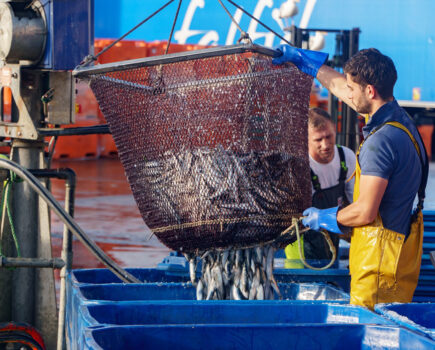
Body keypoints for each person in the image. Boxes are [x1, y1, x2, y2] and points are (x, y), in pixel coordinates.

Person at [273, 46, 428, 309]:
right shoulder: (402, 122)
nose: (349, 94)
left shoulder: (379, 143)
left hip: (378, 269)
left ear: (370, 91)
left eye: (353, 89)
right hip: (398, 258)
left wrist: (323, 218)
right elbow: (344, 91)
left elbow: (365, 212)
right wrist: (310, 65)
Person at [285, 108, 356, 263]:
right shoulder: (300, 167)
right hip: (302, 245)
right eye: (318, 140)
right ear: (306, 139)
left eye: (329, 137)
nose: (325, 145)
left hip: (333, 238)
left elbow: (356, 203)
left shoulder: (347, 157)